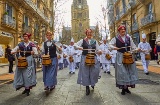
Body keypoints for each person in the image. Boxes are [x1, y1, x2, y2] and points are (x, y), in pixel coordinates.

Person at [109, 25, 138, 95]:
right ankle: (123, 88)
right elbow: (109, 45)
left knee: (128, 71)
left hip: (128, 56)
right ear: (119, 31)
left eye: (124, 30)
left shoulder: (128, 38)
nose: (123, 31)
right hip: (120, 56)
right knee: (122, 72)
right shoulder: (116, 38)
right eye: (121, 30)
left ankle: (127, 88)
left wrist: (136, 50)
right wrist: (114, 47)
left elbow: (133, 47)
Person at [75, 29, 101, 96]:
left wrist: (99, 51)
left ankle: (92, 82)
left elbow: (98, 49)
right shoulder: (82, 40)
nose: (89, 34)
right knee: (86, 72)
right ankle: (87, 87)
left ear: (91, 33)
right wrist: (79, 47)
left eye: (90, 33)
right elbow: (75, 45)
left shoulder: (94, 41)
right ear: (86, 33)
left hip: (93, 58)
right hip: (85, 58)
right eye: (88, 33)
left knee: (94, 71)